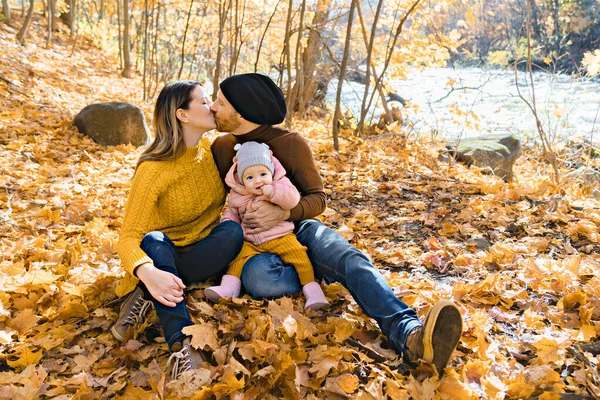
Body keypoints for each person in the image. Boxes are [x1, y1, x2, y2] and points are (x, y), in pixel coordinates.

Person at [210, 73, 463, 376]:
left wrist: (283, 214)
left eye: (221, 102)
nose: (213, 107)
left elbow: (318, 199)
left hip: (297, 227)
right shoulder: (222, 148)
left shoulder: (290, 144)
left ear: (242, 111)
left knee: (349, 258)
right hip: (252, 241)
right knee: (258, 278)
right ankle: (315, 273)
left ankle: (409, 333)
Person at [111, 81, 244, 379]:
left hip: (202, 251)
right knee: (153, 240)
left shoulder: (210, 150)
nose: (211, 106)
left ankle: (148, 294)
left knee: (233, 233)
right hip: (162, 254)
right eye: (204, 101)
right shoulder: (153, 169)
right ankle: (182, 345)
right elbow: (129, 238)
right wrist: (148, 272)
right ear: (182, 115)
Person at [204, 141, 329, 310]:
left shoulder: (280, 184)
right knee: (237, 260)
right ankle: (228, 288)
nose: (258, 181)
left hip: (280, 236)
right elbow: (232, 212)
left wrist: (273, 192)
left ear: (271, 171)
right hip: (251, 241)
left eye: (263, 174)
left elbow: (292, 199)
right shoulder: (237, 194)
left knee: (300, 257)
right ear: (240, 179)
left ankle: (312, 292)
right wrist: (228, 223)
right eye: (250, 177)